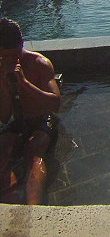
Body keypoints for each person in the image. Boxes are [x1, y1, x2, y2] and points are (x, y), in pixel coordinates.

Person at [0, 18, 61, 205]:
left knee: (33, 153)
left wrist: (24, 84)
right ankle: (7, 200)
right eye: (5, 56)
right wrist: (4, 84)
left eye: (15, 55)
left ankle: (33, 207)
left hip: (42, 118)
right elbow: (4, 117)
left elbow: (55, 104)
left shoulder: (39, 63)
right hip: (17, 120)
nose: (11, 61)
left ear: (22, 45)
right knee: (3, 150)